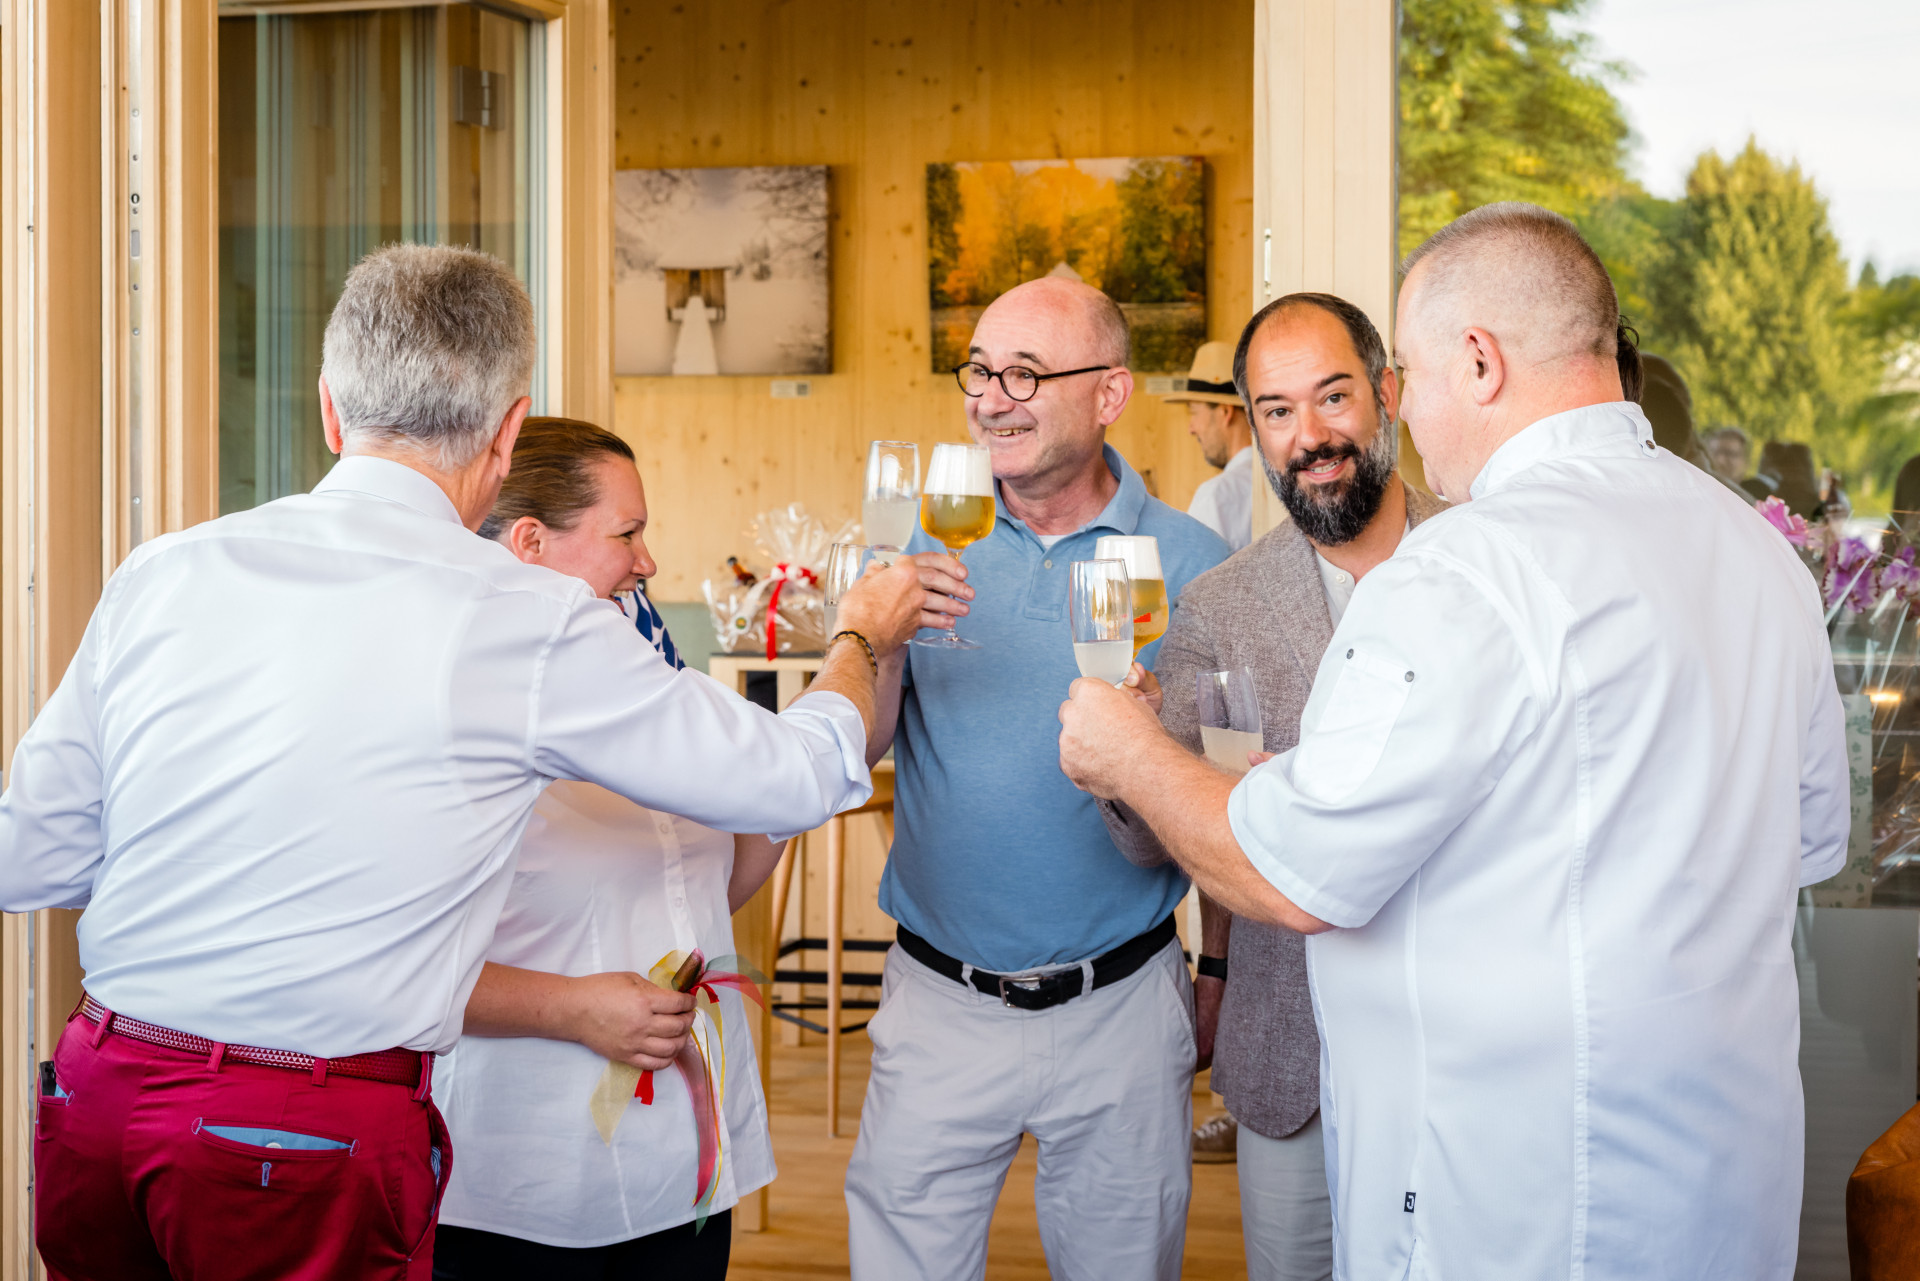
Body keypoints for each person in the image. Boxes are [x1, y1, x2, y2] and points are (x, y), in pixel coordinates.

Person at [1, 244, 930, 1281]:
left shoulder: (164, 570)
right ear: (507, 431)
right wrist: (861, 633)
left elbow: (33, 857)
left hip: (98, 1097)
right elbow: (796, 777)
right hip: (298, 1131)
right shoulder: (524, 616)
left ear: (330, 411)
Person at [1057, 202, 1848, 1280]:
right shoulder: (1759, 556)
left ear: (1478, 361)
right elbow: (1799, 844)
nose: (1411, 414)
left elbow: (1292, 876)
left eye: (1410, 378)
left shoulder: (1464, 569)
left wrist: (1127, 753)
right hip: (1719, 1191)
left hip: (1517, 1200)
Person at [843, 276, 1228, 1281]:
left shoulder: (1192, 561)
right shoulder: (916, 544)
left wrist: (1219, 973)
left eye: (1024, 373)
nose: (990, 398)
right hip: (938, 1000)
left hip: (1122, 1005)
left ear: (1110, 394)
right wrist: (874, 639)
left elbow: (1232, 799)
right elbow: (865, 746)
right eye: (979, 371)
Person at [1101, 292, 1446, 1281]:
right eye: (1279, 411)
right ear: (1252, 429)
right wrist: (1130, 754)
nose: (1311, 436)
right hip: (1290, 1047)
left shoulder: (1483, 556)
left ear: (1386, 395)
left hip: (1461, 1049)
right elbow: (1154, 840)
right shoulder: (1219, 605)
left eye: (1334, 398)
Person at [431, 418, 824, 1278]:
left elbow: (705, 891)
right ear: (530, 543)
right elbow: (395, 962)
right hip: (516, 1180)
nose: (648, 562)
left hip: (678, 1165)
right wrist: (572, 1007)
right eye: (627, 534)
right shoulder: (448, 705)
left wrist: (787, 782)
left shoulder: (649, 673)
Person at [1168, 340, 1257, 551]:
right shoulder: (1281, 483)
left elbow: (1193, 570)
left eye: (1194, 412)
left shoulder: (1217, 495)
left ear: (1225, 412)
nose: (1191, 428)